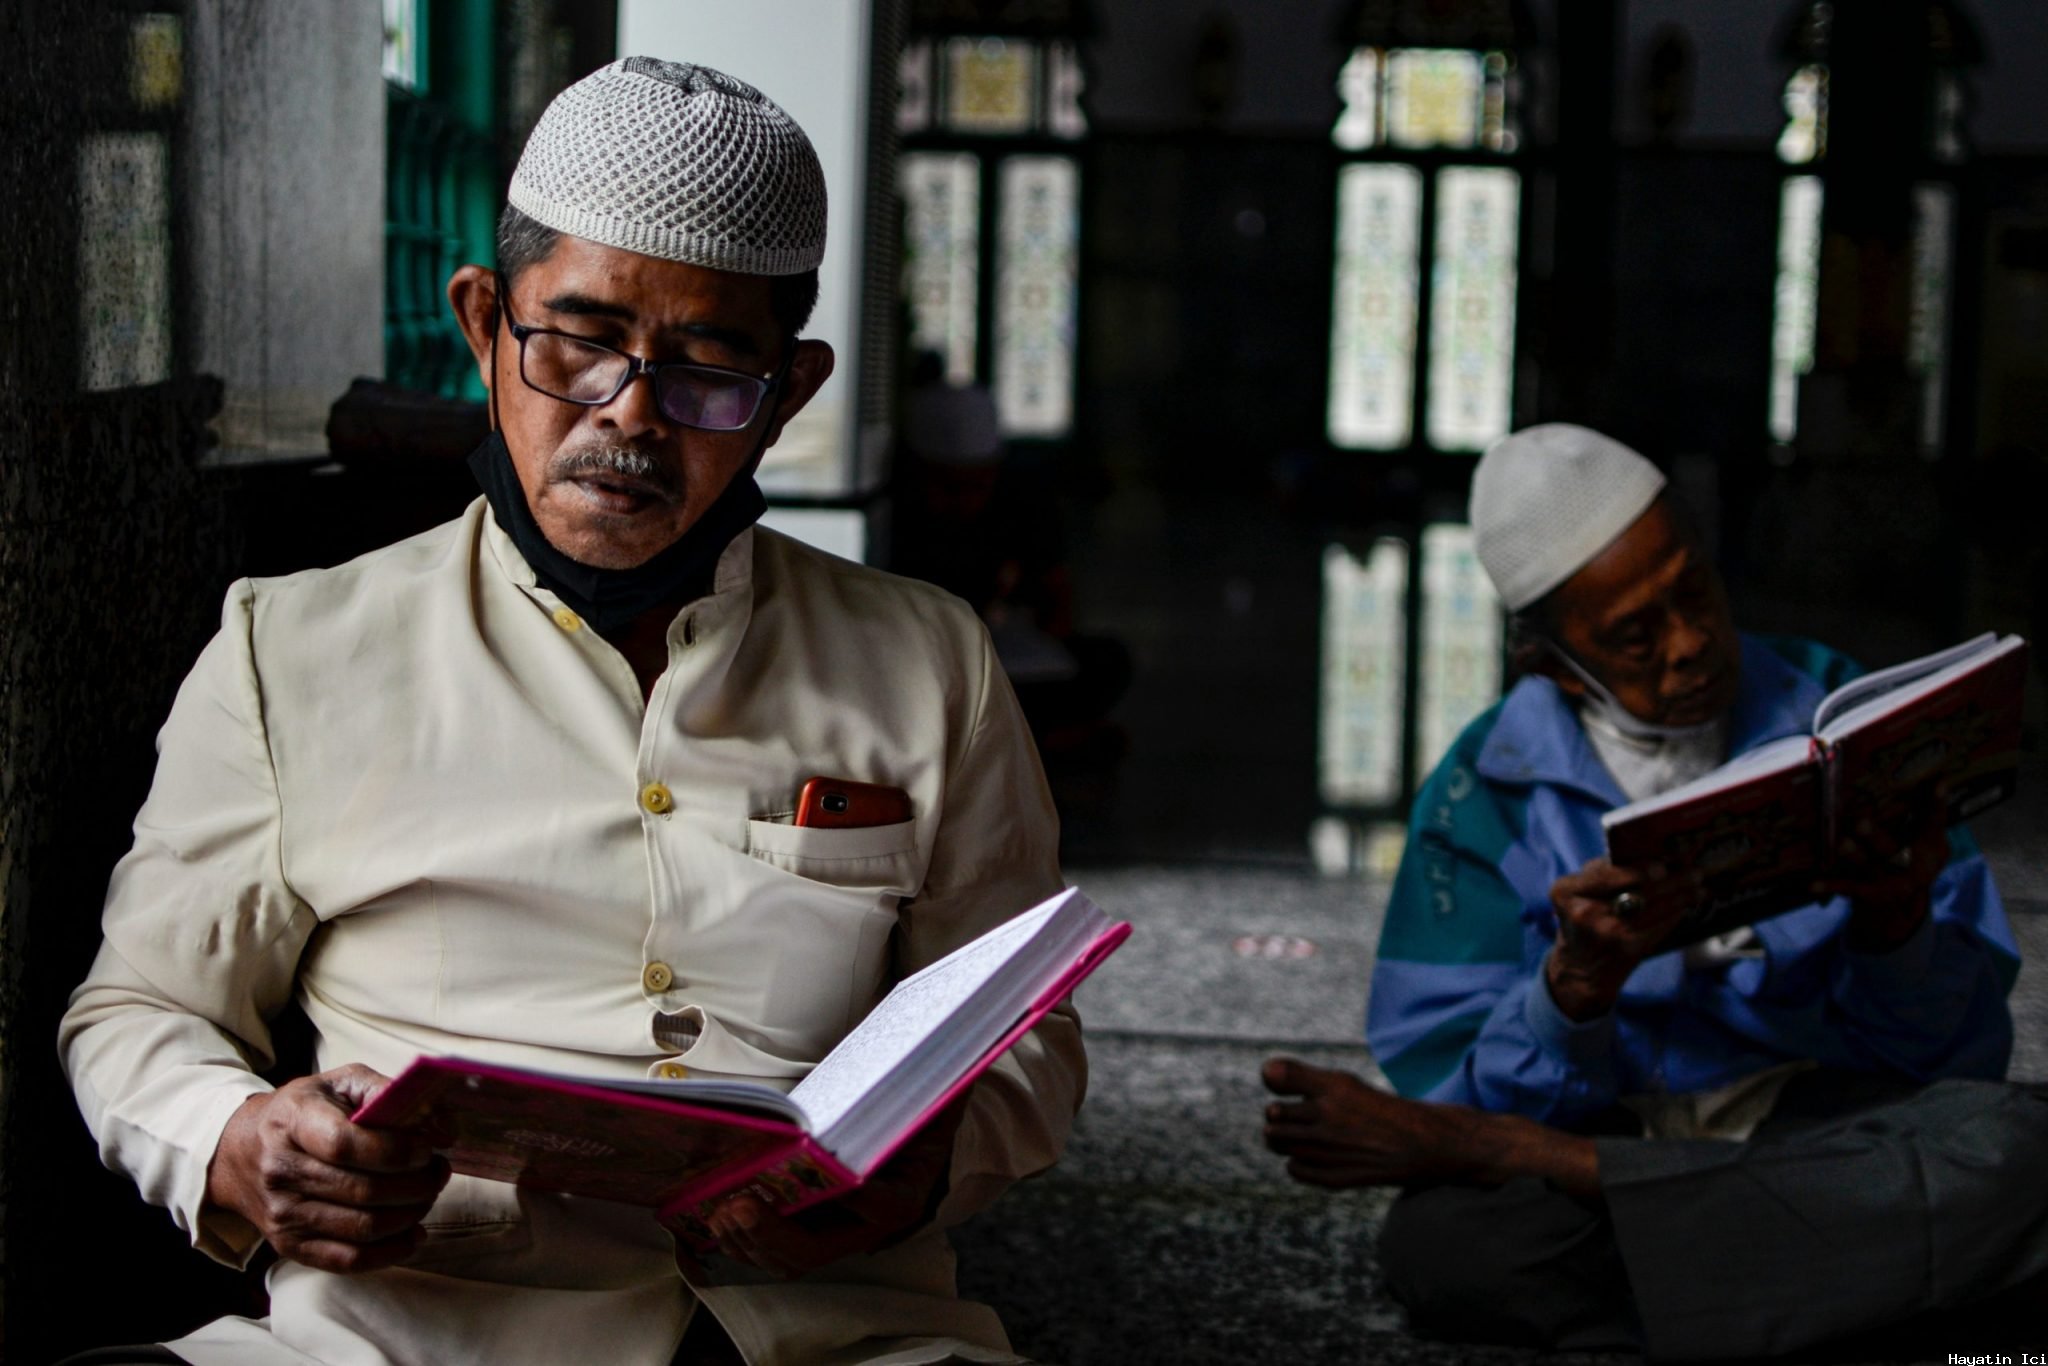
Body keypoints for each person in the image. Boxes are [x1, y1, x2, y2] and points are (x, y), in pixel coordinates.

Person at [60, 57, 1083, 1366]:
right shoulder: (293, 647)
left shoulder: (927, 661)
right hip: (396, 1335)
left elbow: (1025, 1031)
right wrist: (238, 1141)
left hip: (833, 1332)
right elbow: (139, 1005)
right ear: (484, 321)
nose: (632, 418)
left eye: (710, 370)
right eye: (578, 344)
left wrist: (922, 1165)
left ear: (794, 388)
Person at [1261, 424, 2047, 1359]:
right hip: (1628, 1143)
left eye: (1695, 592)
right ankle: (1849, 1293)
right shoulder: (1482, 798)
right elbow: (1456, 1082)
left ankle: (1714, 1281)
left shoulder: (1846, 715)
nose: (1692, 646)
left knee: (2013, 1143)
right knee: (1450, 1249)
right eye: (1636, 636)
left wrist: (1894, 920)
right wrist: (1572, 996)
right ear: (1554, 664)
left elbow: (1955, 1064)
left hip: (1819, 1117)